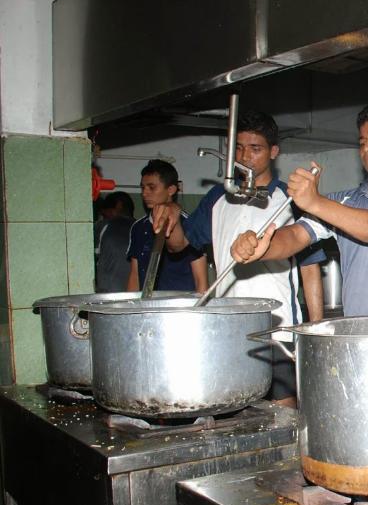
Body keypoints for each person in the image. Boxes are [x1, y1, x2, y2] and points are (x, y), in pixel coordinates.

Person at [153, 111, 324, 407]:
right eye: (240, 148)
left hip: (277, 328)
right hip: (227, 327)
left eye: (255, 149)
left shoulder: (290, 200)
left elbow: (310, 268)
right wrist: (169, 213)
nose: (245, 157)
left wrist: (317, 331)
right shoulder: (217, 197)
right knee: (231, 410)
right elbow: (180, 243)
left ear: (273, 151)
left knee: (282, 414)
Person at [229, 103, 368, 317]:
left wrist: (315, 202)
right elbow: (295, 236)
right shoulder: (341, 202)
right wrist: (261, 247)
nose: (367, 148)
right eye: (362, 142)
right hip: (353, 333)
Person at [126, 160, 208, 293]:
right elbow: (135, 275)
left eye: (151, 187)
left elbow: (201, 280)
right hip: (147, 303)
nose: (145, 193)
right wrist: (130, 304)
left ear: (171, 190)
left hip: (181, 303)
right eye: (143, 188)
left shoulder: (190, 225)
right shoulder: (138, 227)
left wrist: (199, 305)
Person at [95, 191, 136, 292]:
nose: (104, 216)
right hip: (136, 291)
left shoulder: (105, 226)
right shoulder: (140, 227)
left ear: (118, 206)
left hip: (109, 292)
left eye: (106, 212)